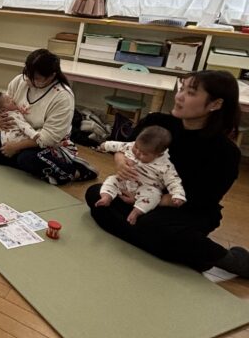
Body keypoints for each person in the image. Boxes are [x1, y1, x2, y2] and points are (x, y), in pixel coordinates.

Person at [86, 70, 249, 277]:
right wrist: (120, 162)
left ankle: (229, 260)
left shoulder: (225, 152)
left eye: (190, 93)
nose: (179, 97)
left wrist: (147, 200)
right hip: (139, 195)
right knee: (96, 194)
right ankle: (186, 253)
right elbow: (125, 148)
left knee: (153, 224)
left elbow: (201, 200)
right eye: (181, 89)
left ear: (215, 104)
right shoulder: (157, 123)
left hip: (182, 208)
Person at [0, 48, 96, 184]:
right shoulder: (20, 81)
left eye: (36, 79)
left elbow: (49, 138)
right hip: (18, 135)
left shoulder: (62, 96)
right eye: (27, 74)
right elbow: (4, 106)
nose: (29, 81)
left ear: (52, 76)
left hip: (47, 144)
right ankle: (38, 168)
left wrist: (16, 147)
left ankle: (75, 171)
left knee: (27, 158)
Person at [95, 125, 186, 225]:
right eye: (136, 147)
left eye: (144, 153)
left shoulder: (166, 166)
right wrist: (104, 145)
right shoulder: (132, 146)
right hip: (126, 181)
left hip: (146, 188)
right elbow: (118, 145)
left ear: (159, 154)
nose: (137, 153)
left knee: (154, 195)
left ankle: (136, 212)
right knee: (112, 179)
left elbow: (174, 181)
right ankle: (106, 197)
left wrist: (178, 195)